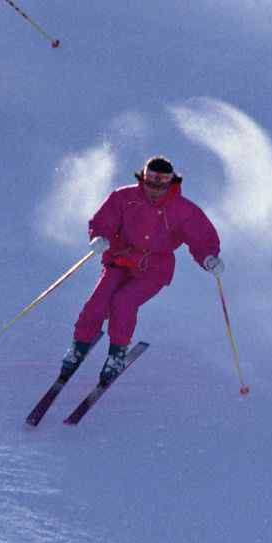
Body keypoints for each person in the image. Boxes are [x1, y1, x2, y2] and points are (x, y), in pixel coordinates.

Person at [63, 157, 223, 384]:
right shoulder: (124, 197)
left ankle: (116, 354)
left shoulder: (182, 209)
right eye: (150, 185)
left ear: (171, 184)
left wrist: (208, 257)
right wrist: (100, 237)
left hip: (154, 269)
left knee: (123, 301)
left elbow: (201, 236)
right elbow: (104, 220)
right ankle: (79, 346)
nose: (155, 191)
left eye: (161, 186)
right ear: (143, 180)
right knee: (98, 300)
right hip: (120, 259)